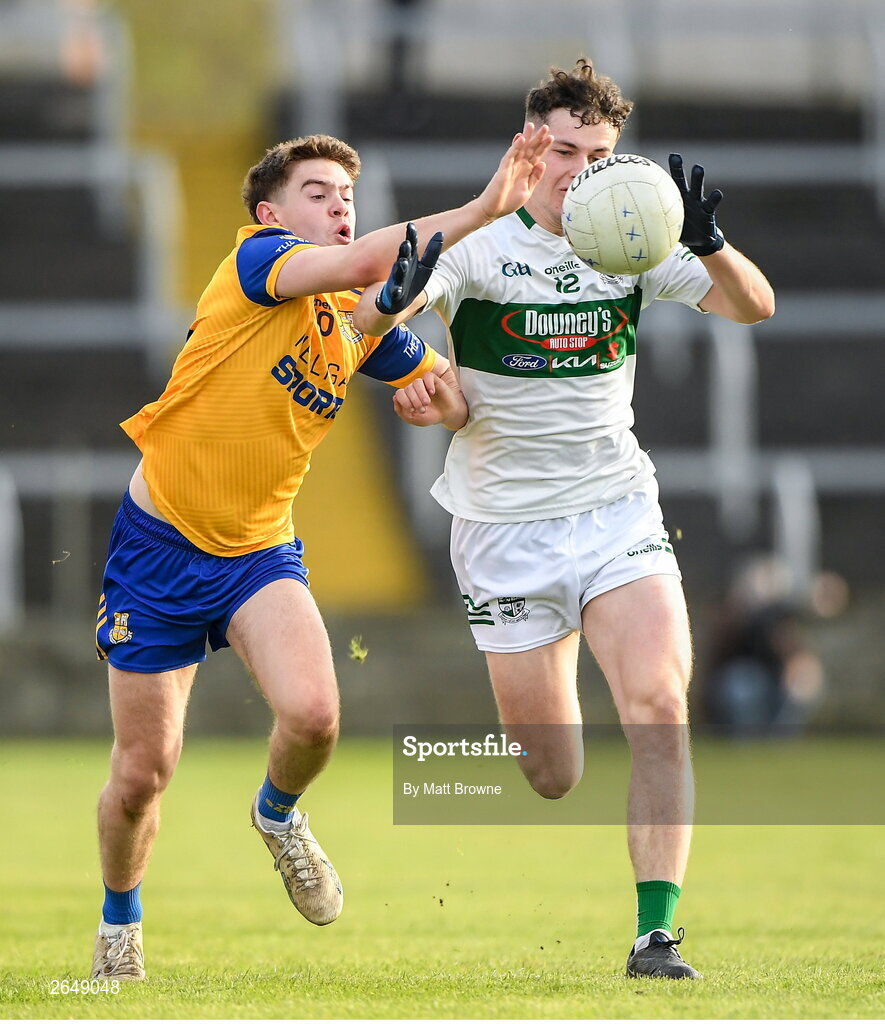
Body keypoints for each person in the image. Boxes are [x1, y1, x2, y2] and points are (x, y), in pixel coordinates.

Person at [90, 124, 550, 981]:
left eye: (347, 198)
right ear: (271, 212)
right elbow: (362, 266)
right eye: (318, 194)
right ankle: (121, 921)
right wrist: (490, 207)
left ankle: (277, 816)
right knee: (143, 774)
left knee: (315, 717)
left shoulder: (353, 321)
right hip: (155, 551)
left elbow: (442, 389)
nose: (339, 208)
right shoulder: (257, 264)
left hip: (259, 553)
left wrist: (437, 405)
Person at [354, 57, 775, 980]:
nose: (580, 168)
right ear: (528, 146)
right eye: (564, 149)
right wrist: (425, 374)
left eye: (598, 152)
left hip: (614, 507)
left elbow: (753, 305)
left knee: (661, 707)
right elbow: (367, 329)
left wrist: (708, 244)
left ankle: (655, 935)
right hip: (503, 530)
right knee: (552, 772)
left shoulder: (630, 235)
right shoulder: (477, 244)